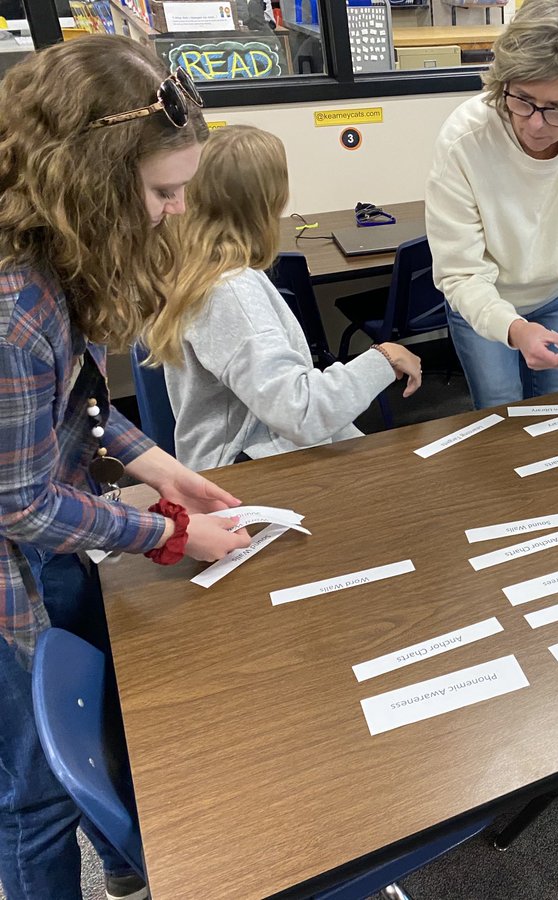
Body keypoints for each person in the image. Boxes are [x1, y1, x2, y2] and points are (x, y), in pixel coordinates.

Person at [0, 36, 254, 900]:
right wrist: (168, 531)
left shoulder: (55, 257)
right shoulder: (11, 310)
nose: (178, 210)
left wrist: (155, 463)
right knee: (35, 786)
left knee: (103, 721)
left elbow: (77, 403)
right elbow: (22, 505)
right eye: (161, 191)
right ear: (90, 185)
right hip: (14, 562)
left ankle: (126, 873)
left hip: (52, 531)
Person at [148, 125, 422, 471]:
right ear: (266, 201)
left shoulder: (194, 268)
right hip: (253, 470)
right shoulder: (230, 292)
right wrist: (384, 357)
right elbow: (301, 413)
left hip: (252, 454)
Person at [425, 0, 558, 409]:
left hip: (557, 294)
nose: (535, 124)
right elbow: (461, 273)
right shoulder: (465, 139)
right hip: (484, 295)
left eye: (557, 109)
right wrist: (516, 329)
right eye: (521, 99)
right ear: (503, 81)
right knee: (500, 406)